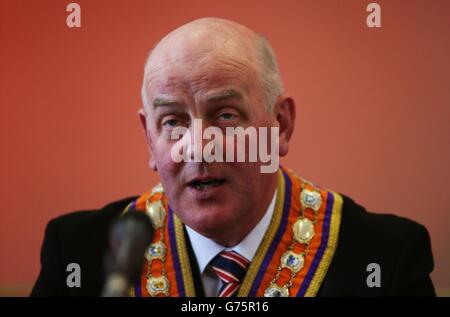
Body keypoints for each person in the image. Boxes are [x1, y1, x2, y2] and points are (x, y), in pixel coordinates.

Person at [31, 17, 435, 297]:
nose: (198, 145)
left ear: (280, 124)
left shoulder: (385, 258)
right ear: (148, 138)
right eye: (172, 121)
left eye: (225, 115)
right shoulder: (79, 255)